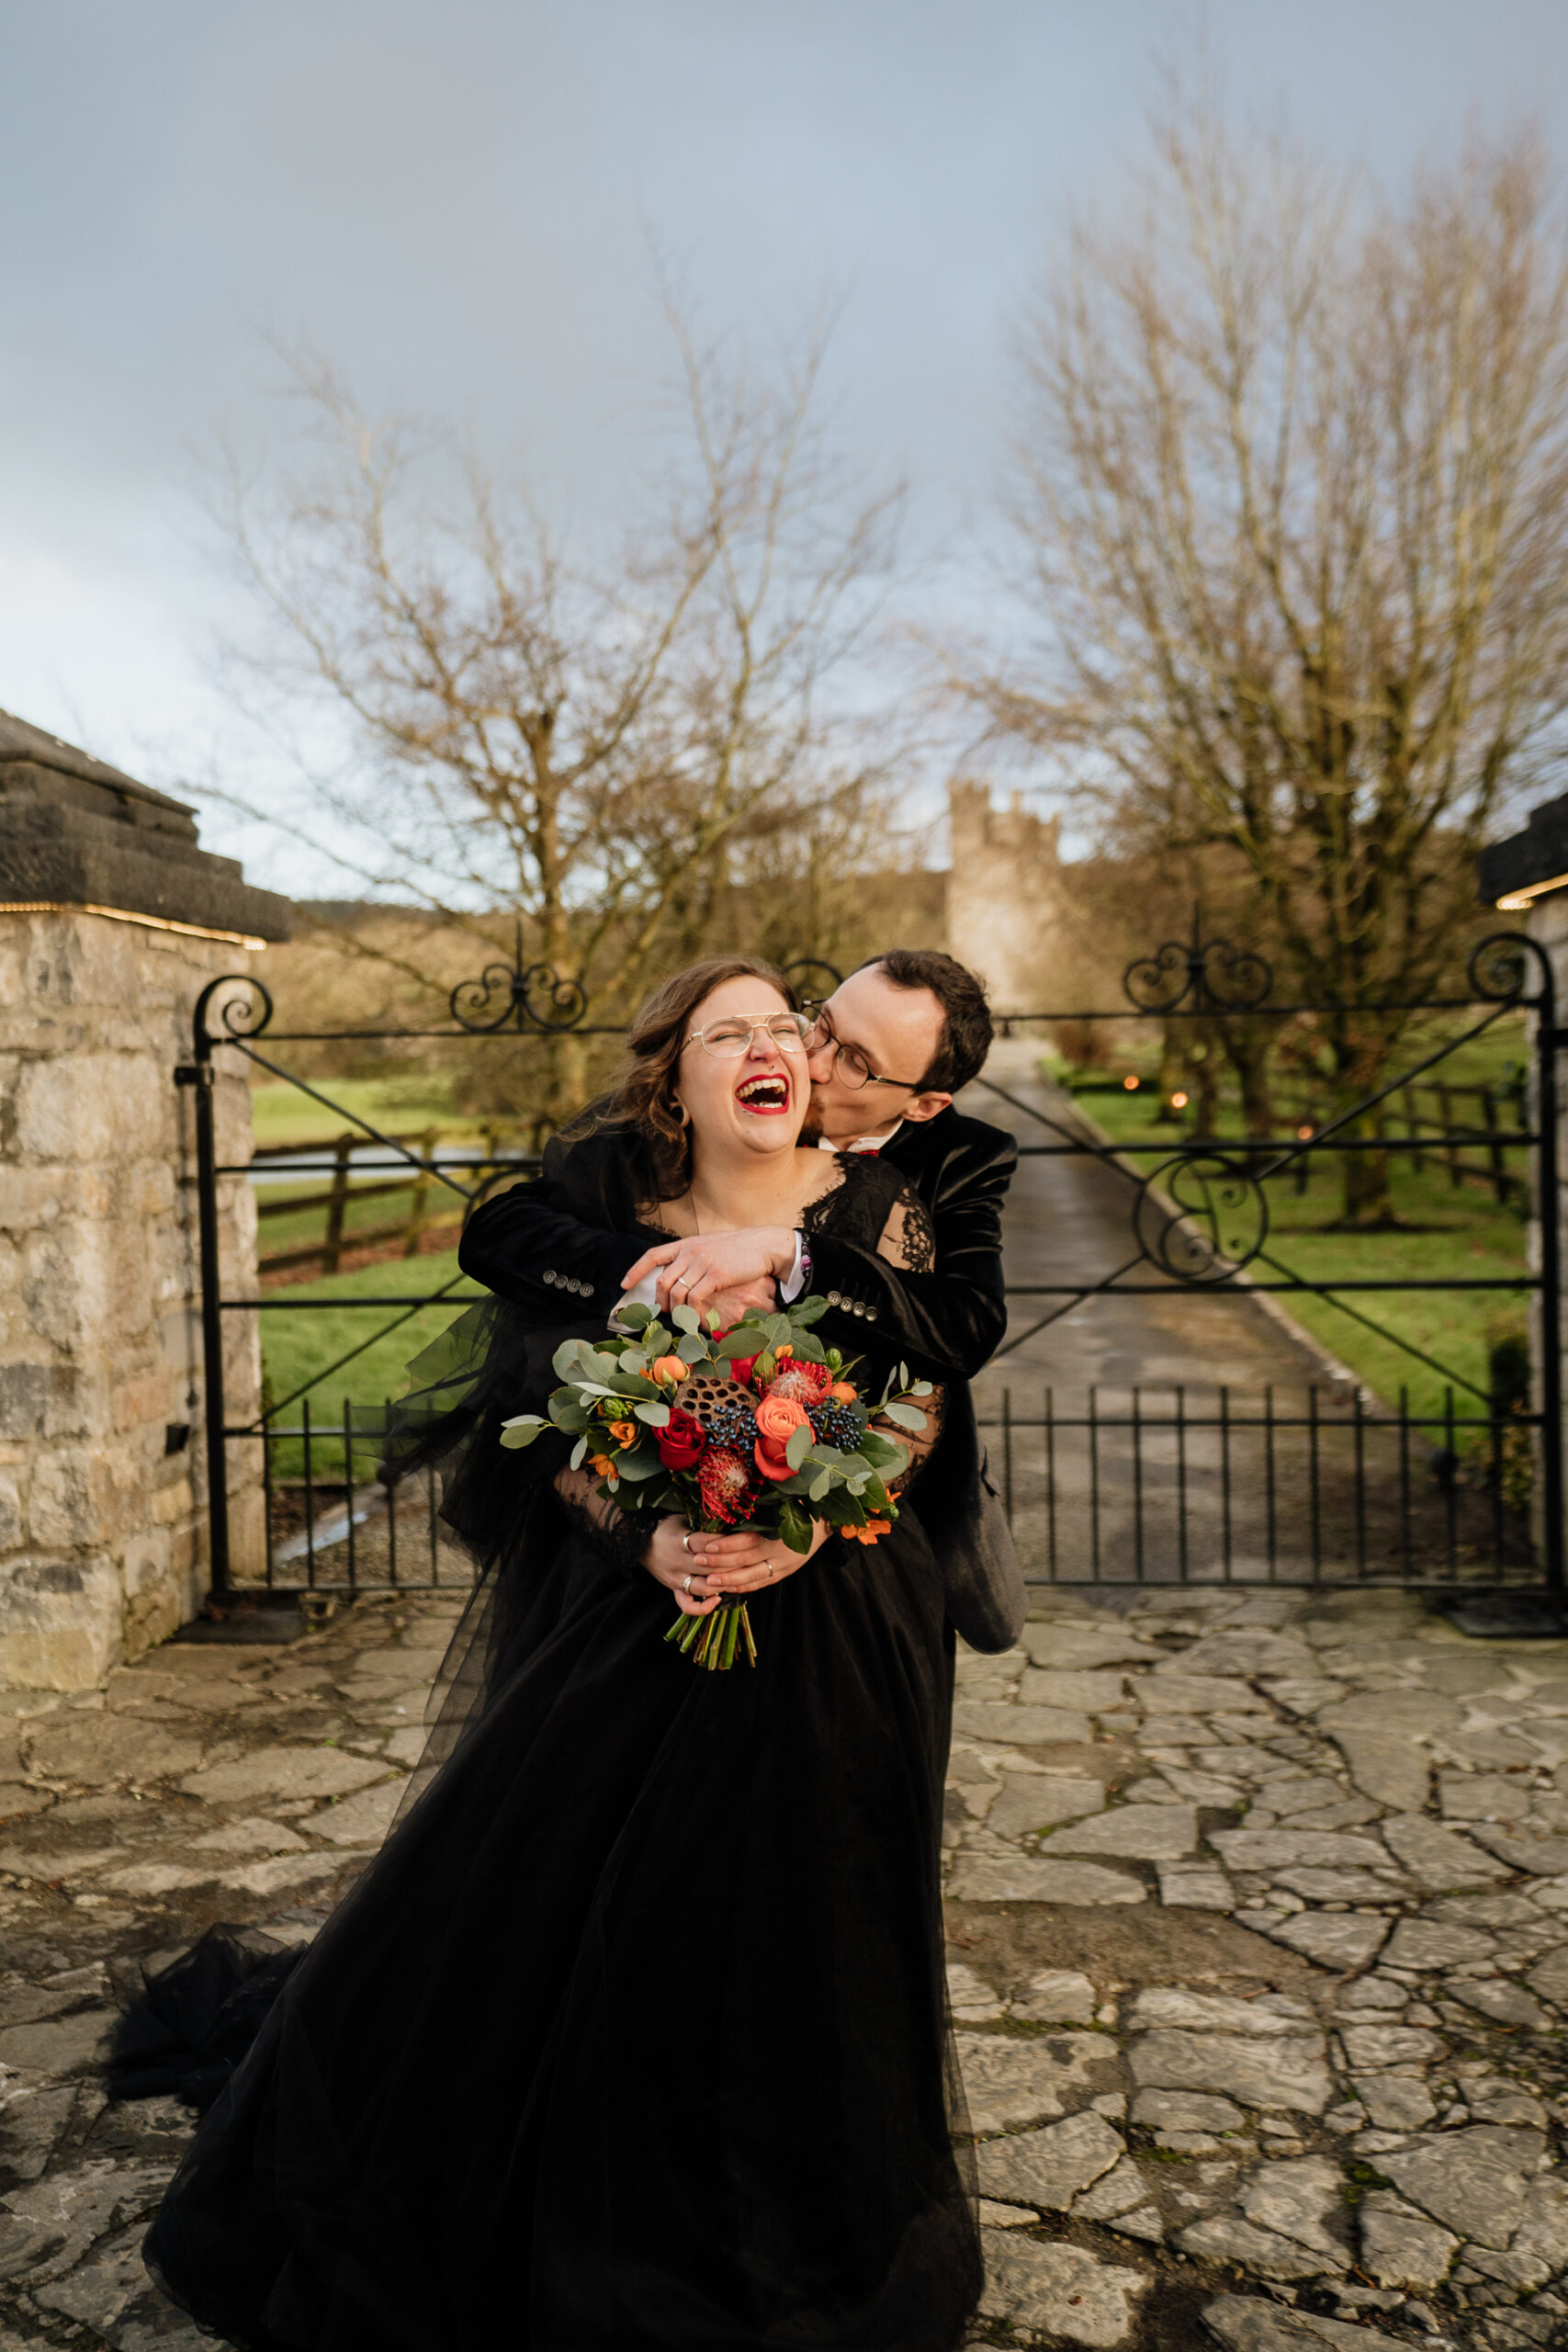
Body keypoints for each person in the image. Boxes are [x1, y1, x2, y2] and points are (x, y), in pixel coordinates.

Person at [136, 956, 988, 2352]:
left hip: (835, 1609)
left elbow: (919, 1400)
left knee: (800, 1912)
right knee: (566, 1900)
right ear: (682, 1078)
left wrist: (815, 1511)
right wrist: (639, 1538)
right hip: (631, 1604)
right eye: (734, 1032)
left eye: (789, 1027)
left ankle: (780, 2213)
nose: (774, 1046)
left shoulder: (874, 1211)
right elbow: (534, 1408)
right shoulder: (606, 1207)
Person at [461, 947, 1024, 1649]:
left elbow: (964, 1326)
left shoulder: (957, 1159)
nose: (812, 1062)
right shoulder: (684, 1107)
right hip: (652, 1543)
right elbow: (499, 1231)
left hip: (853, 1541)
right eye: (818, 1024)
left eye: (854, 1061)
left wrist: (793, 1255)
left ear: (923, 1103)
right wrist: (659, 1278)